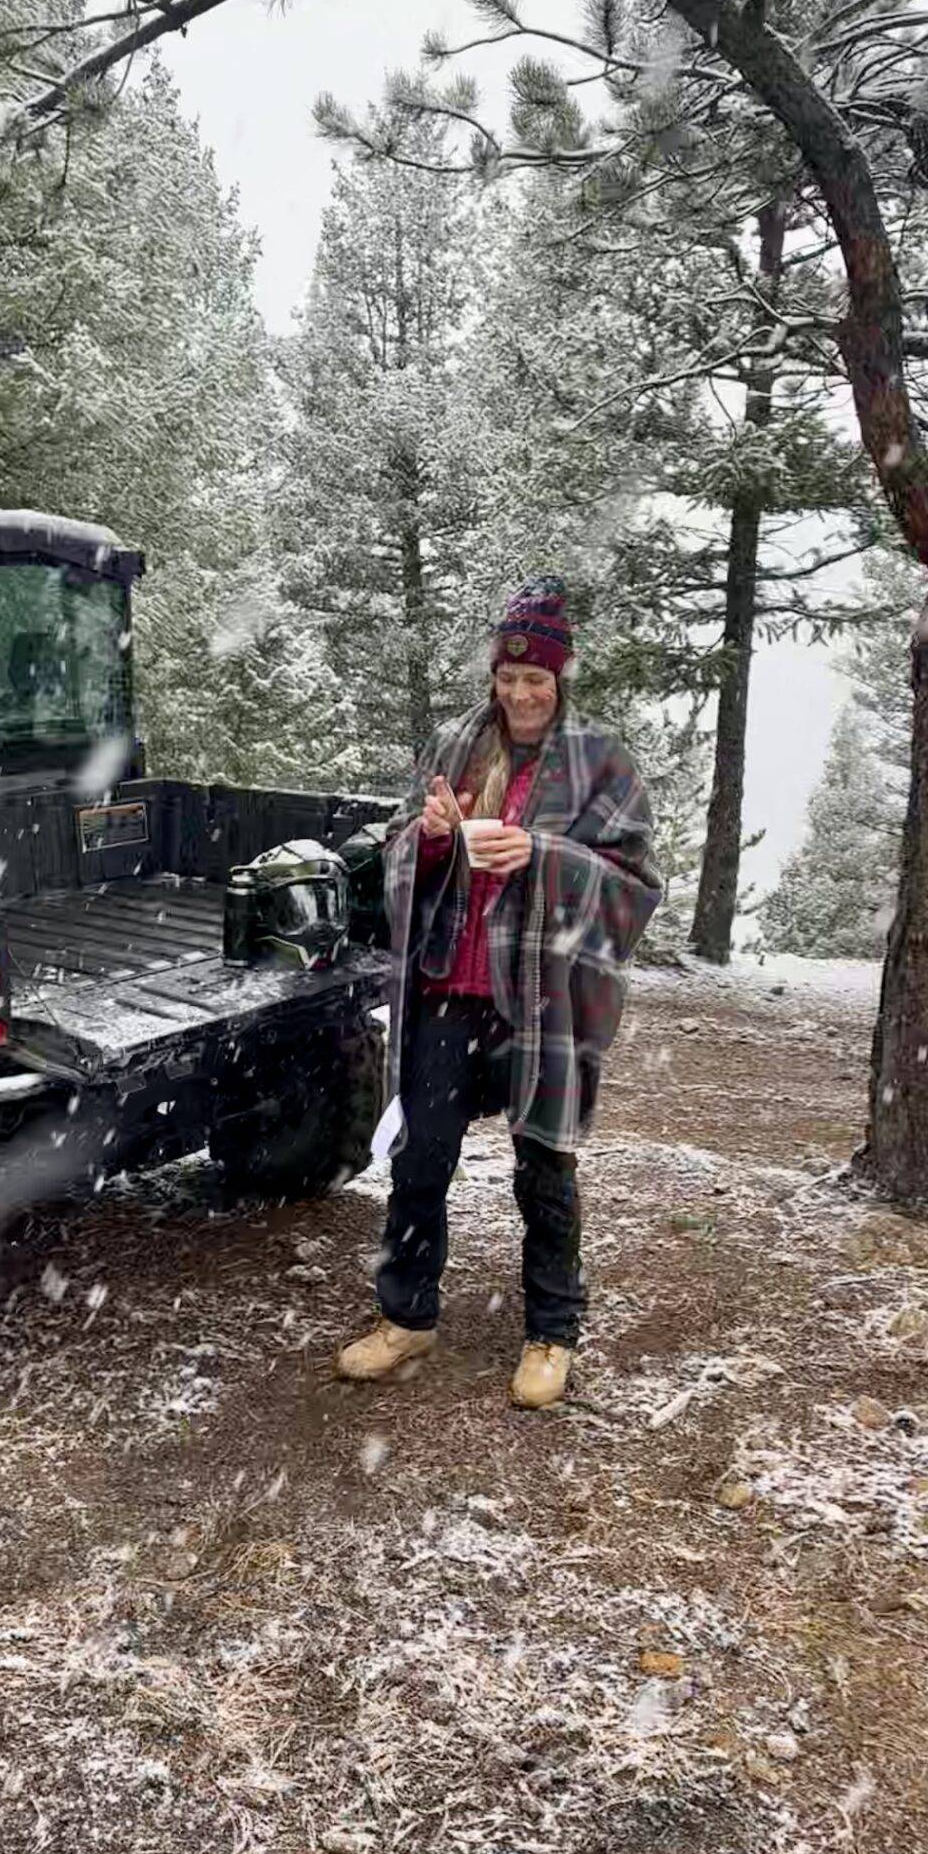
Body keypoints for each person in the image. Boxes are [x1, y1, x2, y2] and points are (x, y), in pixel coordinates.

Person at [336, 579, 663, 1409]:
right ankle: (406, 1315)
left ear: (561, 680)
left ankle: (552, 1331)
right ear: (494, 675)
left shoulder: (602, 763)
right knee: (422, 1157)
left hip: (543, 998)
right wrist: (431, 838)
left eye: (537, 681)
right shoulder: (456, 745)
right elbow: (397, 848)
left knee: (543, 1164)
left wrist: (543, 855)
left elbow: (637, 887)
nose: (520, 694)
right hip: (451, 984)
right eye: (509, 677)